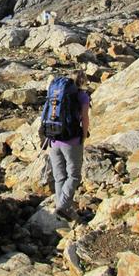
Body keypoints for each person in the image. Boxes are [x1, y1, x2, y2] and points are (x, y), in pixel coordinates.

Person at [48, 70, 90, 221]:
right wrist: (83, 136)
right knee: (74, 176)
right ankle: (63, 205)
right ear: (82, 81)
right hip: (71, 140)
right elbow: (84, 118)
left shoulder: (56, 94)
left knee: (59, 177)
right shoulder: (82, 96)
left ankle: (61, 211)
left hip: (53, 139)